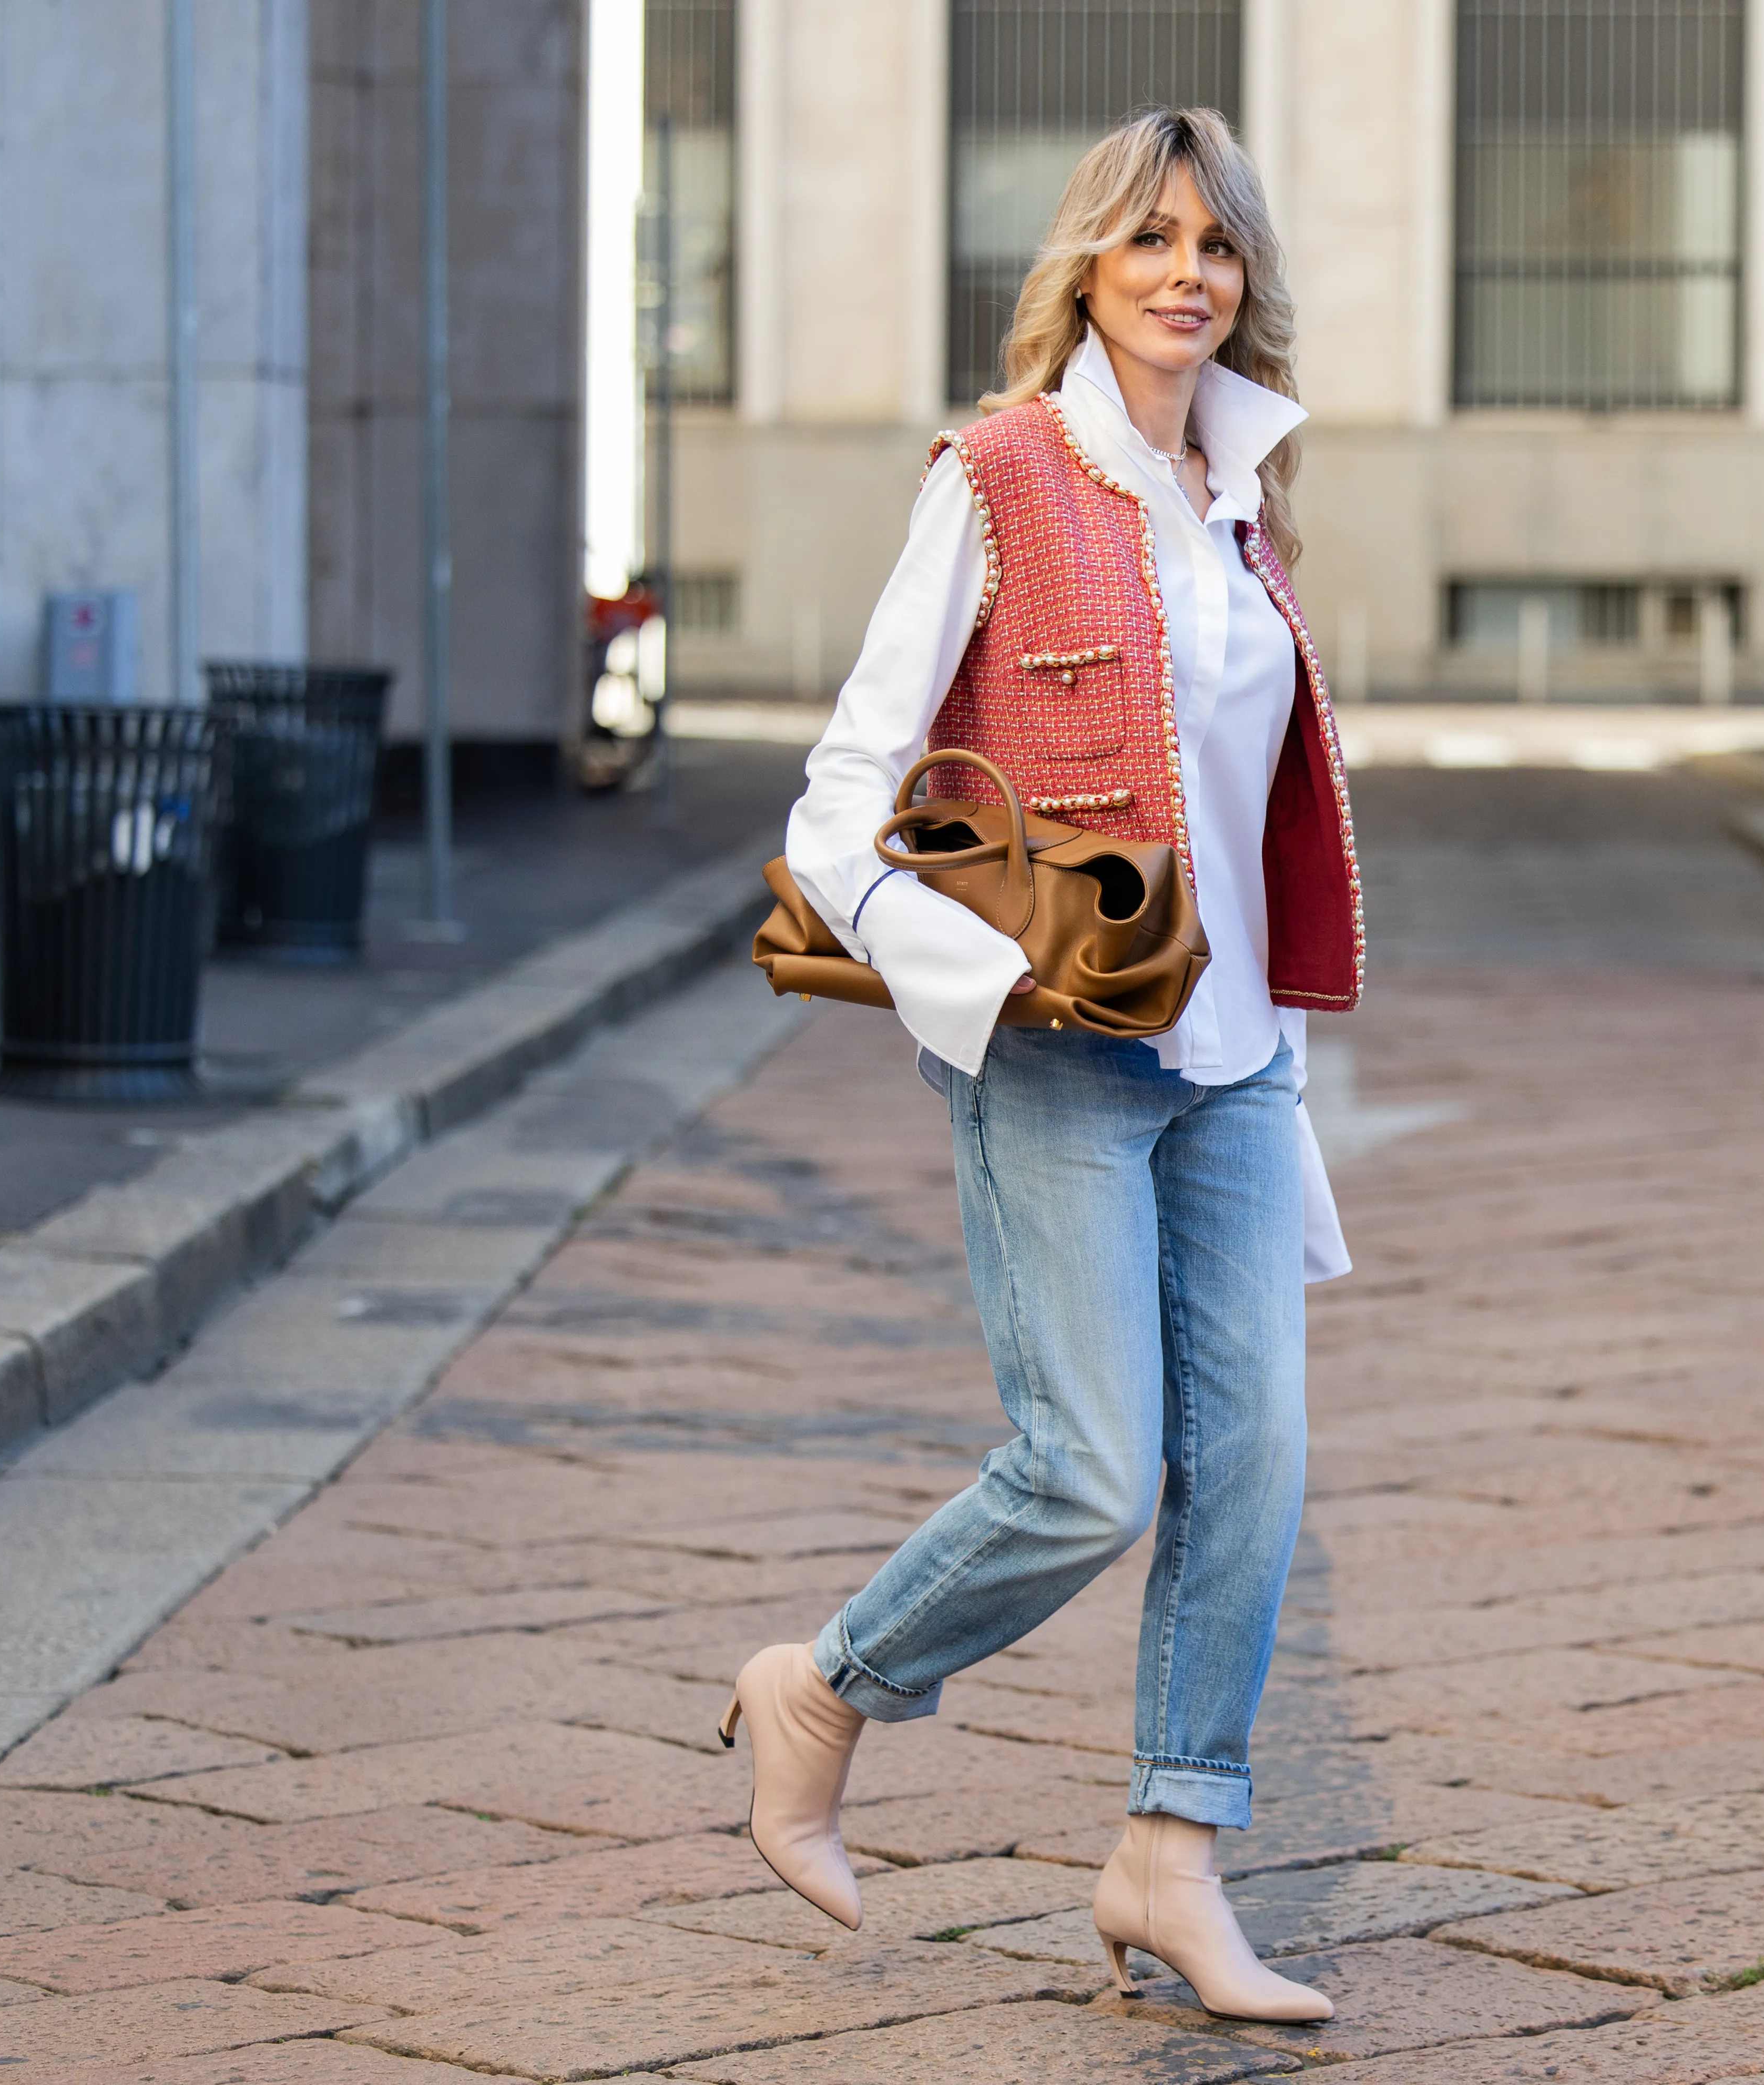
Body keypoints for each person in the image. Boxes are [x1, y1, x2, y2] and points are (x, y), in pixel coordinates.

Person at [717, 105, 1364, 2023]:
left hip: (1237, 1062)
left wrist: (1291, 1090)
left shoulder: (1243, 505)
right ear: (1086, 263)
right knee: (1089, 1470)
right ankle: (822, 1685)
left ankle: (1171, 1857)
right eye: (1152, 240)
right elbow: (839, 807)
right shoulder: (999, 475)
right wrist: (978, 987)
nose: (1187, 274)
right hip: (1058, 1052)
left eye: (1218, 247)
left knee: (1249, 1464)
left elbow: (1240, 829)